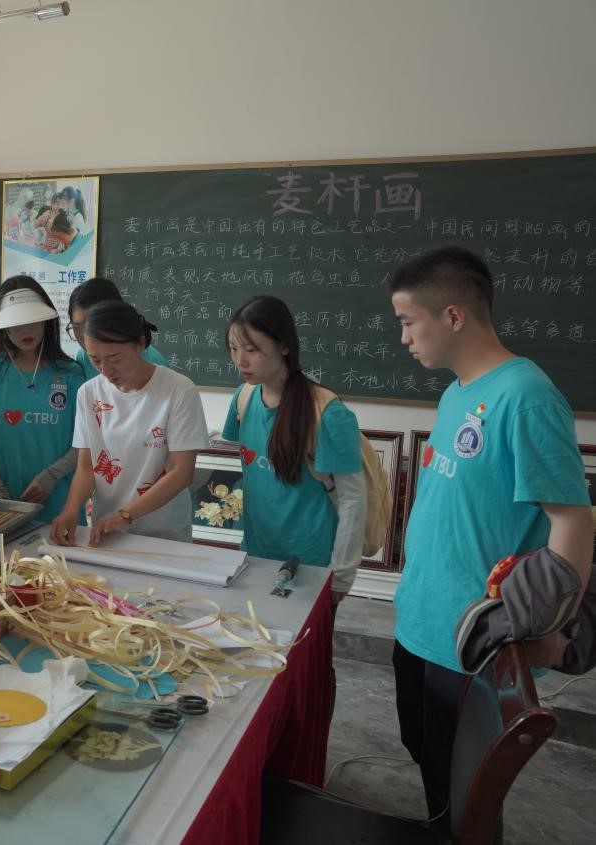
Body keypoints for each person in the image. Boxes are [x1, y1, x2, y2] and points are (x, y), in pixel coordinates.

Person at [388, 245, 593, 822]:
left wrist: (555, 626)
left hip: (472, 642)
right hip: (422, 620)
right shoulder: (457, 391)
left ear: (453, 315)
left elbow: (573, 519)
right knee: (427, 757)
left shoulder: (526, 398)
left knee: (465, 796)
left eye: (408, 321)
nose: (403, 338)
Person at [223, 295, 367, 602]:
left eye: (252, 350)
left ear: (284, 347)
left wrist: (341, 576)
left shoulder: (328, 413)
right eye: (233, 349)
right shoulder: (243, 398)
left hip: (310, 566)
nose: (240, 361)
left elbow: (353, 499)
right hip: (254, 557)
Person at [50, 301, 209, 546]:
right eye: (95, 360)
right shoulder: (89, 393)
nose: (105, 370)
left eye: (114, 359)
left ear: (140, 344)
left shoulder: (178, 390)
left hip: (164, 534)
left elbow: (182, 473)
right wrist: (71, 508)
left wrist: (125, 516)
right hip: (107, 531)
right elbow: (87, 467)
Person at [0, 276, 86, 522]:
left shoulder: (72, 375)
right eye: (16, 323)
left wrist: (52, 475)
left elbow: (84, 442)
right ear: (4, 327)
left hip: (62, 511)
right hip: (4, 510)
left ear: (46, 320)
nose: (25, 330)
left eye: (32, 321)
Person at [67, 278, 171, 379]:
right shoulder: (83, 357)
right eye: (77, 327)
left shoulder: (152, 362)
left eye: (114, 359)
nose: (85, 336)